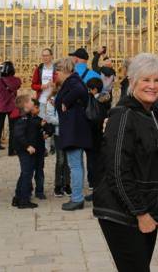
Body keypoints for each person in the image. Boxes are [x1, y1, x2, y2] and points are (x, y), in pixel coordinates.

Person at [94, 53, 158, 272]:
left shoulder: (153, 113)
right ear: (132, 82)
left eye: (157, 80)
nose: (152, 86)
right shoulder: (123, 115)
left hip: (144, 208)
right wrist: (141, 212)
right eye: (145, 80)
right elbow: (117, 171)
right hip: (123, 213)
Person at [54, 56, 93, 211]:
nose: (57, 74)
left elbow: (80, 91)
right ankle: (77, 197)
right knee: (77, 164)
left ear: (65, 70)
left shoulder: (73, 81)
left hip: (74, 130)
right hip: (76, 129)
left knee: (75, 165)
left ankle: (77, 198)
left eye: (58, 71)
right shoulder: (72, 81)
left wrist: (65, 101)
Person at [13, 95, 45, 209]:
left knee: (25, 173)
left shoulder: (28, 117)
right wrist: (27, 146)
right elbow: (19, 135)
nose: (33, 101)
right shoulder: (23, 118)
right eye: (31, 101)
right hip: (25, 150)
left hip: (29, 149)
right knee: (27, 174)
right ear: (26, 104)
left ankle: (18, 196)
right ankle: (24, 200)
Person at [85, 77, 111, 194]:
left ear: (94, 89)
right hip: (102, 135)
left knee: (92, 161)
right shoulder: (106, 99)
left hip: (92, 135)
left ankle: (94, 184)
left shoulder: (92, 100)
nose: (88, 91)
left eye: (90, 89)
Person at [43, 90, 70, 197]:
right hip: (59, 133)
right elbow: (50, 118)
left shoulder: (70, 100)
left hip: (69, 133)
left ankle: (67, 184)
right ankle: (58, 185)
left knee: (68, 161)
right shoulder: (52, 101)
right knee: (60, 160)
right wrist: (64, 121)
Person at [0, 61, 22, 156]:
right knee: (13, 129)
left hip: (0, 107)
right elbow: (18, 85)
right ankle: (11, 150)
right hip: (12, 107)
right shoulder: (16, 80)